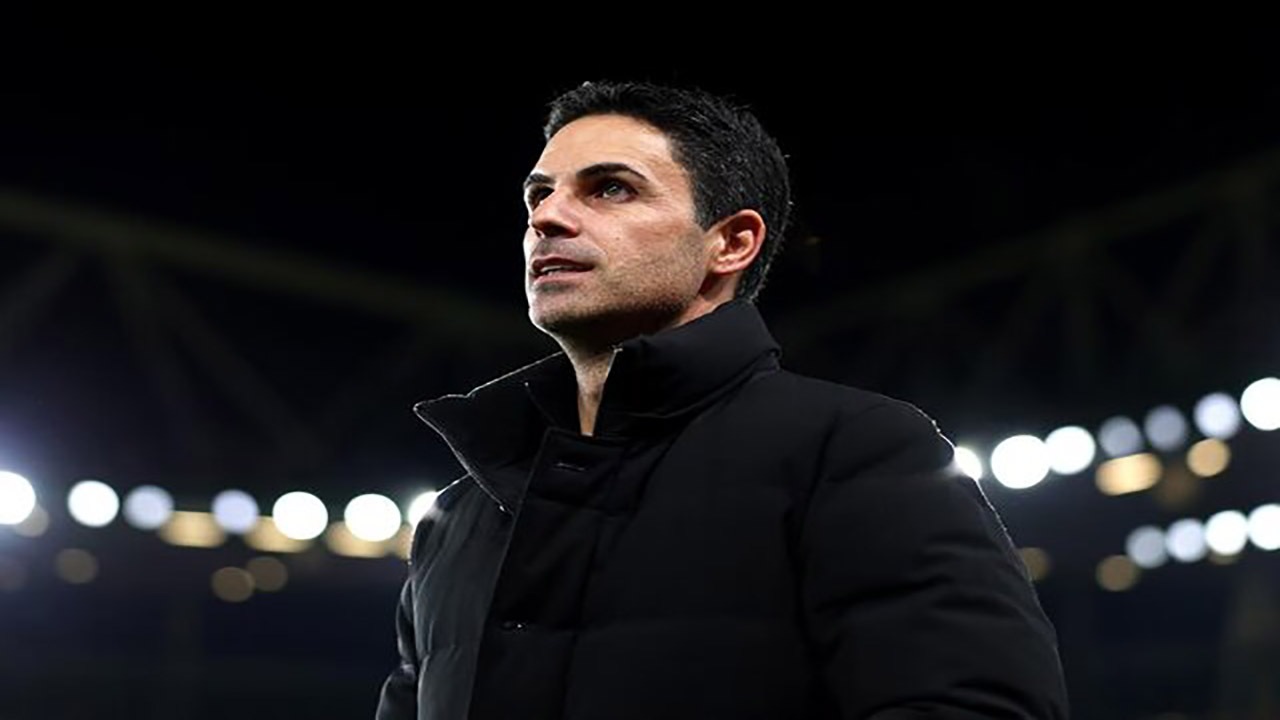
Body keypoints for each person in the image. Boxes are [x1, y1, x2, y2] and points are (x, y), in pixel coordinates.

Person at [376, 80, 1069, 720]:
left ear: (732, 243)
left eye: (610, 189)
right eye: (539, 195)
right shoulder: (456, 517)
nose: (548, 218)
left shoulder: (856, 449)